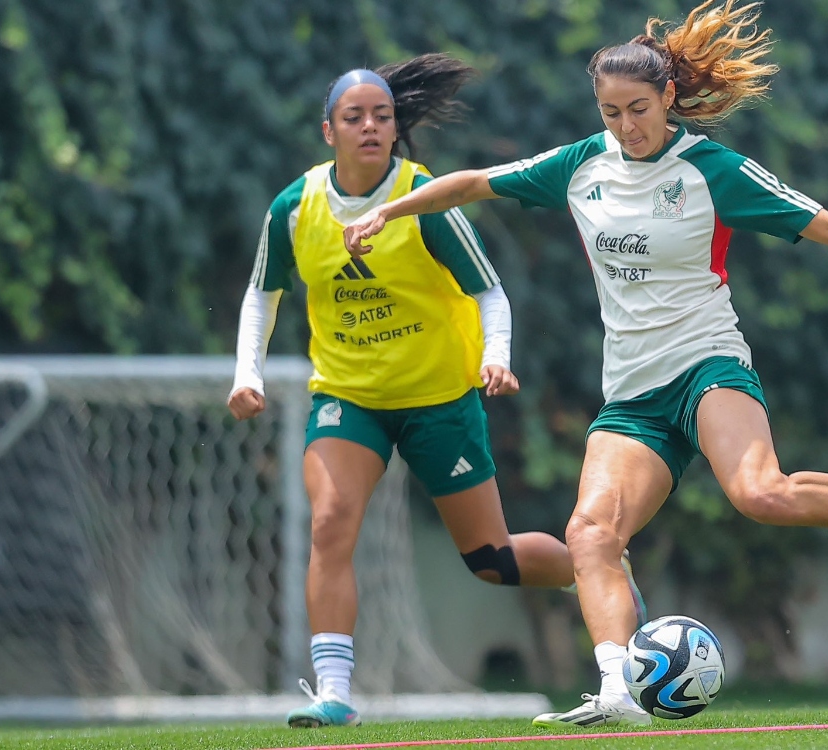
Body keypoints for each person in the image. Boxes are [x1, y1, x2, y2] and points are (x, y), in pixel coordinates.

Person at [343, 0, 828, 730]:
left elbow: (824, 219)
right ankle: (617, 691)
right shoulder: (579, 167)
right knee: (591, 536)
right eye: (610, 112)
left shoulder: (712, 168)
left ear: (669, 97)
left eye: (637, 109)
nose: (625, 126)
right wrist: (387, 213)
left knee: (760, 494)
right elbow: (474, 183)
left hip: (707, 365)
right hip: (633, 394)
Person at [228, 53, 645, 729]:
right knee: (331, 522)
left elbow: (489, 290)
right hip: (348, 395)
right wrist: (246, 372)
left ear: (395, 129)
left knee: (491, 559)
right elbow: (261, 293)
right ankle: (333, 693)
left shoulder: (423, 201)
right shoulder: (295, 208)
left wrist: (496, 358)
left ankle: (601, 575)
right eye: (354, 117)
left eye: (383, 116)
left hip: (438, 400)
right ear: (327, 130)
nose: (370, 126)